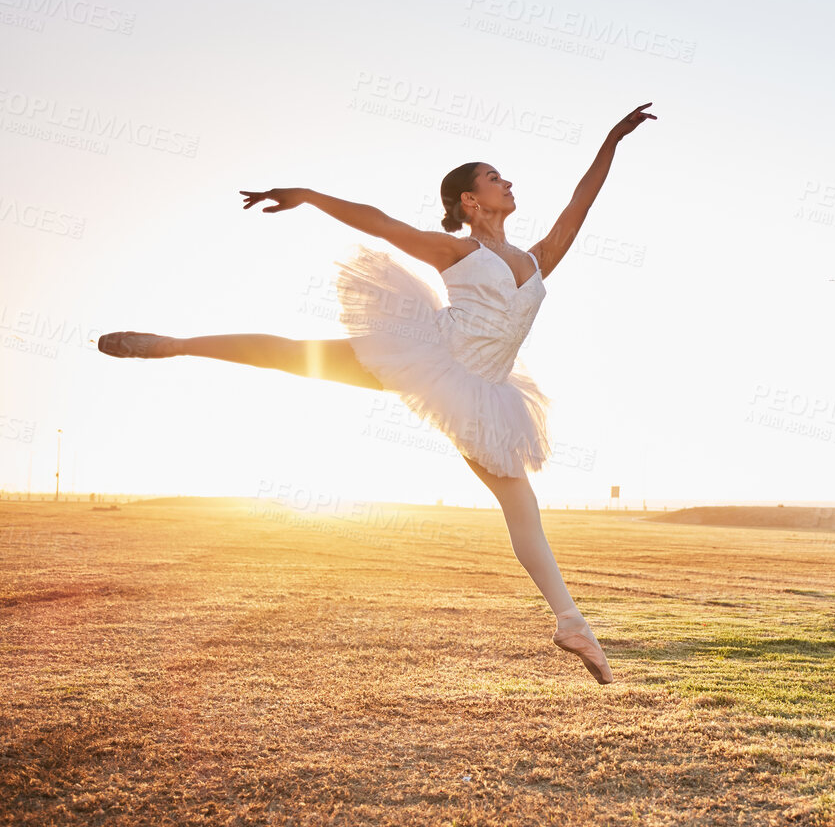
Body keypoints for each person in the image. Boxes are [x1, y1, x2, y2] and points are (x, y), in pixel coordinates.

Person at [97, 103, 658, 684]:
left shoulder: (538, 260)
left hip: (487, 395)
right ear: (470, 201)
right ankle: (174, 344)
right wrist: (311, 195)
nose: (507, 181)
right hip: (429, 354)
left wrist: (612, 140)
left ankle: (571, 623)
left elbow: (580, 204)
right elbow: (382, 223)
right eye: (494, 177)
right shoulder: (462, 252)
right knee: (296, 355)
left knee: (525, 513)